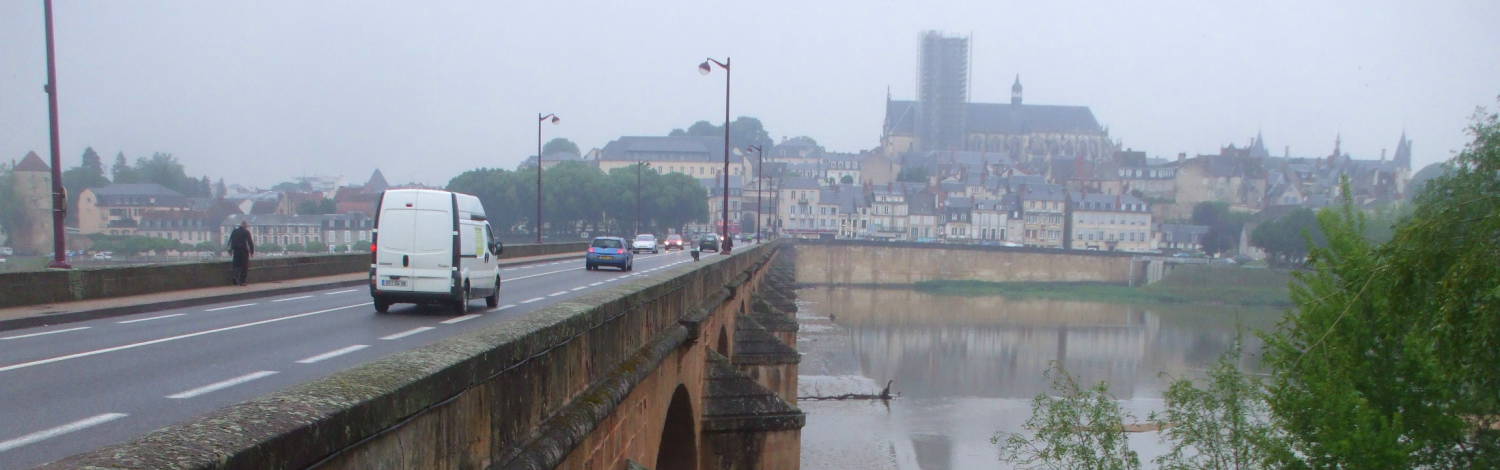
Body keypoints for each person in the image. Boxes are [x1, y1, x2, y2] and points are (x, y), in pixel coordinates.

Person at [228, 220, 255, 286]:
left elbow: (230, 240)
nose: (246, 227)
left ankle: (235, 277)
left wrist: (230, 250)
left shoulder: (235, 231)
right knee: (244, 266)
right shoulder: (246, 232)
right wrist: (251, 252)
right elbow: (250, 242)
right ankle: (242, 281)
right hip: (243, 251)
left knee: (236, 265)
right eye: (246, 226)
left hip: (236, 251)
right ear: (245, 225)